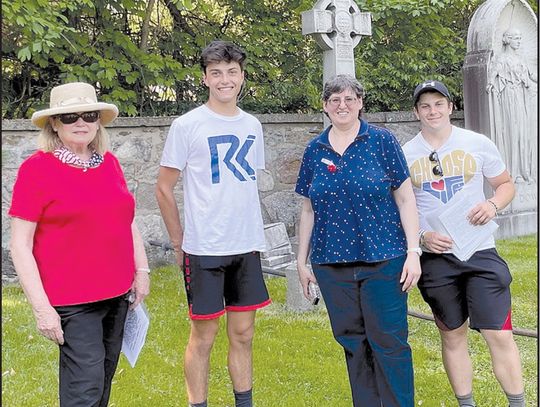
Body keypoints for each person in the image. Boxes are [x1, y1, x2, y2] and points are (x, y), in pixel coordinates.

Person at [9, 82, 150, 407]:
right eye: (70, 116)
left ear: (98, 120)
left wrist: (140, 269)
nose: (81, 122)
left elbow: (126, 219)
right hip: (73, 303)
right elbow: (20, 245)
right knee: (83, 392)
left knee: (101, 384)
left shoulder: (109, 163)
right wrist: (43, 309)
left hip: (117, 295)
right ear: (54, 124)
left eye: (89, 114)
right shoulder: (37, 169)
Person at [155, 40, 271, 407]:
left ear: (242, 77)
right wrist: (178, 243)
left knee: (244, 333)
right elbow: (163, 187)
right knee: (202, 336)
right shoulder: (187, 125)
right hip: (204, 248)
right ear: (205, 78)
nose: (225, 80)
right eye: (217, 73)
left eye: (232, 72)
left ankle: (244, 402)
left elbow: (246, 182)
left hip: (245, 244)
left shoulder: (253, 125)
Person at [295, 74, 421, 407]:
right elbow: (307, 208)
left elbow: (406, 199)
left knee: (390, 343)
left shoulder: (382, 141)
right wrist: (301, 261)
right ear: (325, 106)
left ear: (360, 103)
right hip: (331, 265)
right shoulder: (314, 150)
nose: (342, 105)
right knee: (353, 343)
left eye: (350, 99)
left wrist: (413, 252)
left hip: (384, 259)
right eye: (334, 100)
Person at [402, 79, 525, 407]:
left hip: (479, 250)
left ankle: (518, 403)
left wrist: (492, 205)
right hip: (436, 257)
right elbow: (399, 208)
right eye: (425, 106)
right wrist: (421, 237)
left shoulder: (477, 142)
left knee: (499, 334)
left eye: (439, 104)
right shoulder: (405, 154)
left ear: (450, 107)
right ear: (416, 112)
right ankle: (466, 403)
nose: (433, 111)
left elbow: (505, 184)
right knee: (452, 335)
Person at [486, 28, 538, 183]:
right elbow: (492, 75)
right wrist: (490, 83)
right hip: (509, 97)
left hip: (522, 98)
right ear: (507, 40)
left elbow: (532, 75)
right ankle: (512, 171)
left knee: (523, 132)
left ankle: (524, 171)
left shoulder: (522, 59)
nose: (519, 41)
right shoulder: (502, 59)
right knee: (512, 131)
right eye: (516, 38)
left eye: (520, 38)